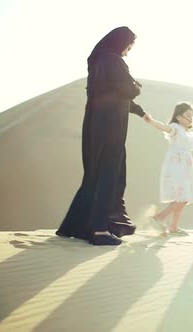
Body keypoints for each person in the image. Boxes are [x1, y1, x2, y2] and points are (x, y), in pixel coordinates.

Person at [56, 26, 153, 246]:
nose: (128, 51)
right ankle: (100, 230)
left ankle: (72, 226)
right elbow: (130, 89)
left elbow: (115, 95)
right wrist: (137, 86)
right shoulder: (115, 61)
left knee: (94, 176)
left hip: (95, 126)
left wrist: (140, 112)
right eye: (129, 47)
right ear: (122, 43)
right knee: (110, 175)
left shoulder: (99, 63)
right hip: (111, 128)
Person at [145, 102, 193, 236]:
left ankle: (174, 226)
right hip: (176, 165)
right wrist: (151, 121)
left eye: (192, 116)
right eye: (187, 115)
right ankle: (160, 218)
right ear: (179, 117)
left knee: (182, 196)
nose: (191, 118)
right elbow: (164, 128)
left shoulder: (190, 135)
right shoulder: (175, 128)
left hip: (186, 166)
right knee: (183, 197)